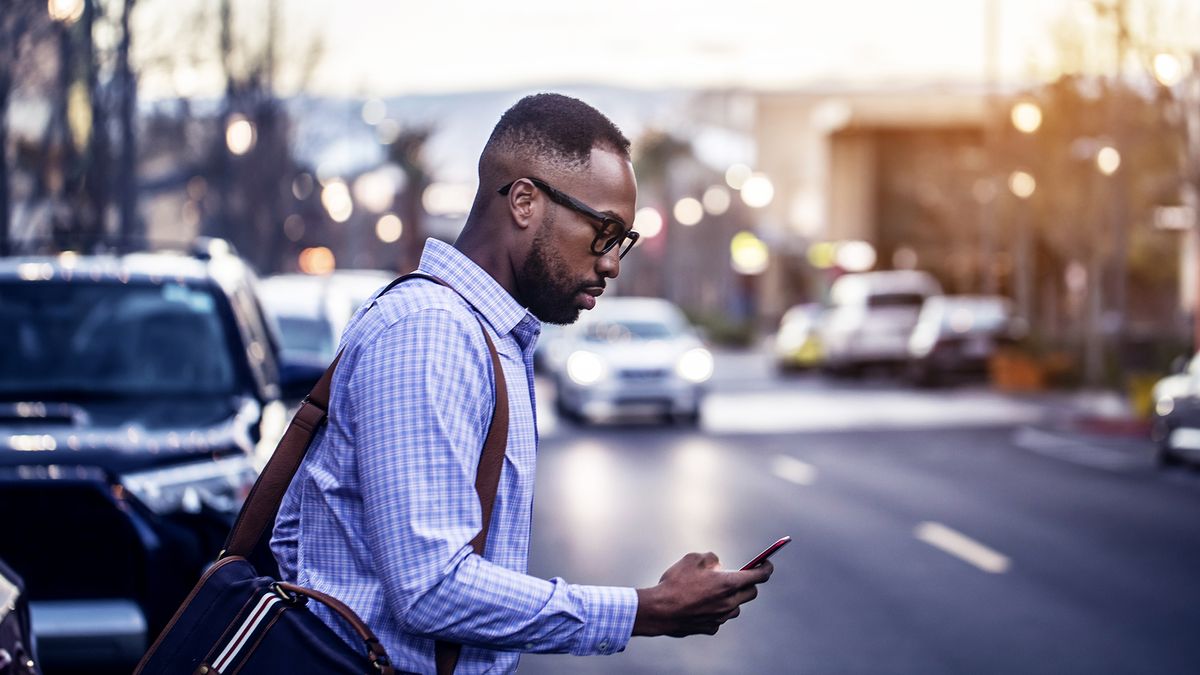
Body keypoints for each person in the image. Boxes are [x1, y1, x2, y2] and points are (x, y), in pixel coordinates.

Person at [271, 92, 773, 674]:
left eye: (622, 241)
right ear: (526, 201)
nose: (612, 262)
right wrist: (647, 610)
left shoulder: (487, 336)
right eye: (604, 231)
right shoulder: (430, 332)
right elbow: (429, 588)